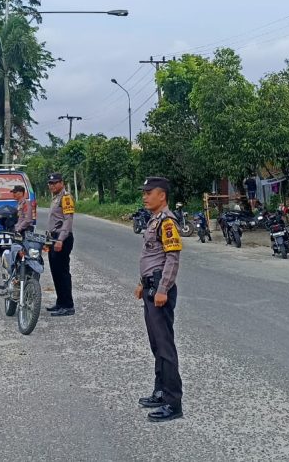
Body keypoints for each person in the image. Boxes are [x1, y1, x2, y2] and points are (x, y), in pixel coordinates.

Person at [135, 176, 183, 422]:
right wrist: (143, 284)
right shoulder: (154, 220)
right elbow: (151, 257)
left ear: (161, 195)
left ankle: (173, 403)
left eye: (149, 192)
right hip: (151, 289)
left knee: (165, 347)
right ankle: (160, 390)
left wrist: (163, 288)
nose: (145, 196)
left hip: (161, 292)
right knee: (156, 344)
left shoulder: (167, 222)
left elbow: (172, 259)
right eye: (144, 192)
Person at [45, 172, 75, 316]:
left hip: (61, 239)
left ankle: (68, 305)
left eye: (55, 183)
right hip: (53, 238)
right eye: (50, 183)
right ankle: (60, 302)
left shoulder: (66, 198)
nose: (52, 185)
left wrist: (60, 239)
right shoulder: (55, 198)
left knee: (63, 272)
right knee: (55, 272)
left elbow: (67, 221)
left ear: (62, 183)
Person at [0, 184, 35, 290]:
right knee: (14, 257)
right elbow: (19, 219)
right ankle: (12, 281)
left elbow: (28, 220)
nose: (13, 194)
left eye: (15, 192)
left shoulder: (26, 203)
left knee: (23, 256)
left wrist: (18, 229)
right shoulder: (19, 204)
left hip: (24, 233)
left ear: (21, 193)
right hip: (18, 233)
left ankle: (25, 281)